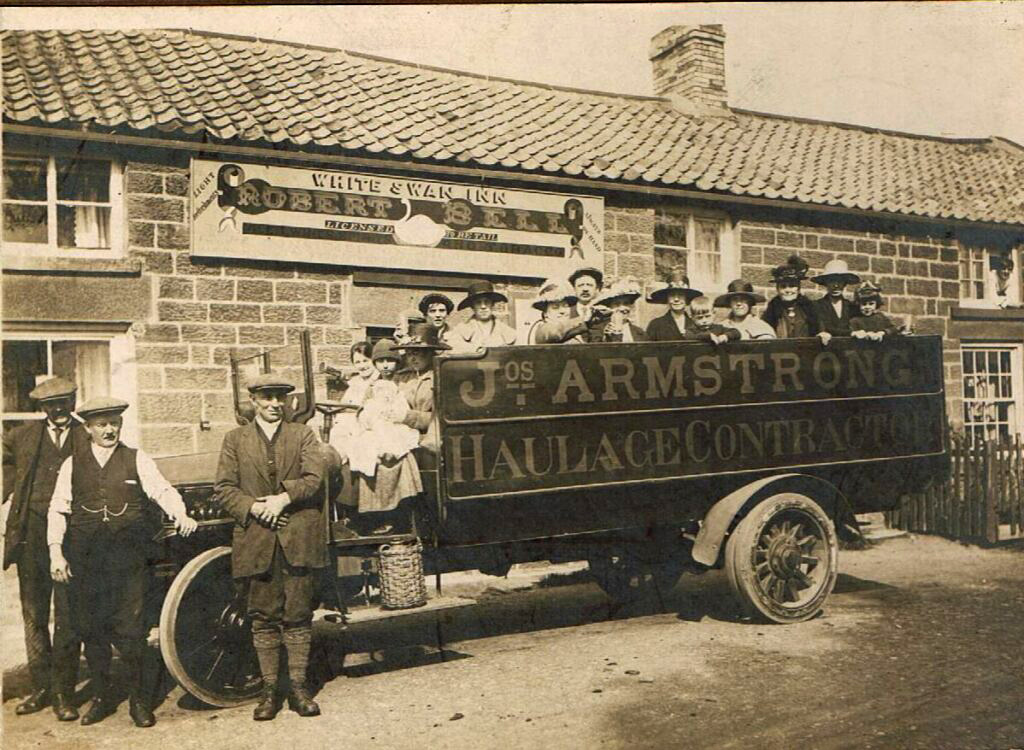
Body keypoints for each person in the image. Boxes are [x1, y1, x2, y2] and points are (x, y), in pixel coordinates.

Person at [48, 396, 197, 728]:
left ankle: (139, 702)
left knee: (131, 634)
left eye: (114, 423)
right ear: (87, 428)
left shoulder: (136, 459)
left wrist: (181, 513)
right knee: (92, 632)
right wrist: (56, 552)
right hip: (85, 561)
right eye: (101, 424)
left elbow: (162, 490)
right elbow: (58, 510)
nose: (109, 430)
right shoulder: (72, 465)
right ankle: (101, 699)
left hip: (128, 560)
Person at [214, 374, 325, 721]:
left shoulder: (303, 434)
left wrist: (281, 499)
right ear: (253, 400)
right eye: (267, 397)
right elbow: (225, 487)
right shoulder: (235, 440)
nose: (275, 404)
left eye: (280, 398)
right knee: (262, 616)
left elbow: (314, 478)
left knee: (297, 613)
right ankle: (268, 693)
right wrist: (256, 508)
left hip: (297, 537)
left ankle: (298, 688)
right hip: (257, 539)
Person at [2, 377, 85, 721]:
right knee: (34, 614)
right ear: (42, 408)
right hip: (31, 536)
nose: (59, 409)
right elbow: (6, 472)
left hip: (72, 539)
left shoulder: (88, 435)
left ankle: (64, 693)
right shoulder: (21, 437)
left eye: (64, 401)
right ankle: (41, 688)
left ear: (73, 402)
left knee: (68, 617)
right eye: (51, 404)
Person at [396, 322, 451, 450]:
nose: (412, 359)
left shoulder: (440, 377)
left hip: (430, 440)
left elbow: (441, 418)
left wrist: (408, 417)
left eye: (417, 353)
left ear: (430, 353)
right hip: (400, 435)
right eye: (409, 354)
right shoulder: (401, 378)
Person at [761, 254, 822, 339]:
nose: (788, 290)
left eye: (792, 285)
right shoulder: (772, 311)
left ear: (798, 288)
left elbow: (819, 331)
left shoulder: (809, 308)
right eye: (783, 286)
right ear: (777, 289)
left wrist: (822, 334)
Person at [447, 280, 518, 352]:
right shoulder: (461, 331)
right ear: (472, 307)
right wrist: (476, 349)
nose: (483, 306)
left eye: (487, 302)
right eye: (478, 302)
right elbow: (452, 348)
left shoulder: (509, 333)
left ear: (492, 305)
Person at [811, 259, 862, 344]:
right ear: (826, 283)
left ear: (845, 283)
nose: (836, 285)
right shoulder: (817, 305)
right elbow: (822, 328)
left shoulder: (852, 306)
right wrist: (850, 333)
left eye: (839, 281)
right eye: (831, 281)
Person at [525, 279, 588, 344]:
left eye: (565, 306)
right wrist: (582, 320)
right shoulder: (542, 329)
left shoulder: (572, 331)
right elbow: (553, 332)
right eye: (555, 307)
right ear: (545, 313)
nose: (562, 311)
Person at [645, 268, 702, 341]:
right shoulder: (656, 325)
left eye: (680, 295)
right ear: (667, 299)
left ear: (686, 298)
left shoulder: (696, 324)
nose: (676, 299)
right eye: (672, 295)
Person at [585, 278, 648, 342]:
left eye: (626, 303)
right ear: (610, 307)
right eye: (616, 304)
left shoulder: (639, 332)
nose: (622, 308)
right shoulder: (598, 330)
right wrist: (612, 335)